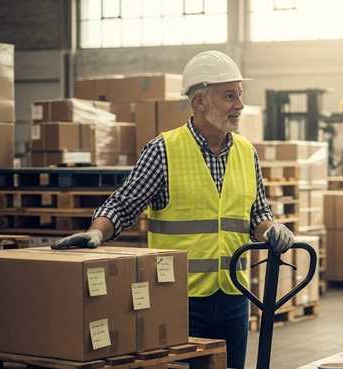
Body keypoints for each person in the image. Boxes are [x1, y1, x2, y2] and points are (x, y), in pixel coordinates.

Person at [52, 50, 295, 369]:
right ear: (199, 102)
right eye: (229, 96)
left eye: (239, 94)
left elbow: (257, 214)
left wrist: (272, 229)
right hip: (178, 298)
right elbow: (124, 203)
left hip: (235, 296)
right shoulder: (164, 150)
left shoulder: (247, 152)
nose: (239, 104)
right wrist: (96, 232)